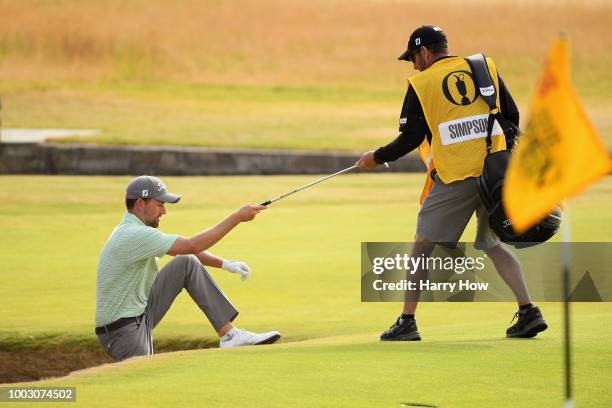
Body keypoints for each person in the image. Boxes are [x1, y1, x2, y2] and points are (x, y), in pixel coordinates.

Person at [356, 25, 547, 341]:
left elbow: (411, 138)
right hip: (496, 175)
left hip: (457, 177)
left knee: (422, 245)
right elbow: (510, 116)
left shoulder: (422, 82)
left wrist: (376, 157)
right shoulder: (483, 67)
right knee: (492, 244)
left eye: (414, 58)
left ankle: (406, 322)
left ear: (425, 52)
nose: (414, 65)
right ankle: (529, 311)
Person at [95, 175, 280, 361]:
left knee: (186, 262)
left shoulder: (134, 230)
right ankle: (230, 336)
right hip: (122, 332)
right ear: (140, 203)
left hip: (138, 315)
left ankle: (229, 335)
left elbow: (184, 251)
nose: (164, 211)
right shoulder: (134, 234)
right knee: (147, 386)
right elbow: (192, 245)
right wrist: (237, 217)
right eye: (160, 204)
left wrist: (225, 264)